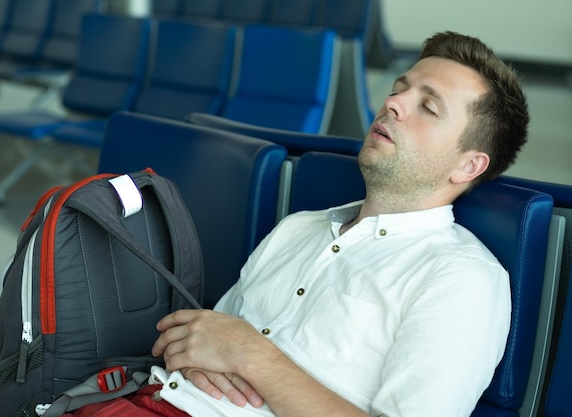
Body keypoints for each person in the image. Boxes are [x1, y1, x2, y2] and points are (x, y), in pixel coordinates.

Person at [148, 30, 530, 417]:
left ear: (468, 165)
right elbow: (203, 341)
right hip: (143, 397)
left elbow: (237, 345)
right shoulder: (298, 228)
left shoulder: (460, 278)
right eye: (399, 89)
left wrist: (256, 358)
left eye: (428, 107)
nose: (393, 103)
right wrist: (198, 357)